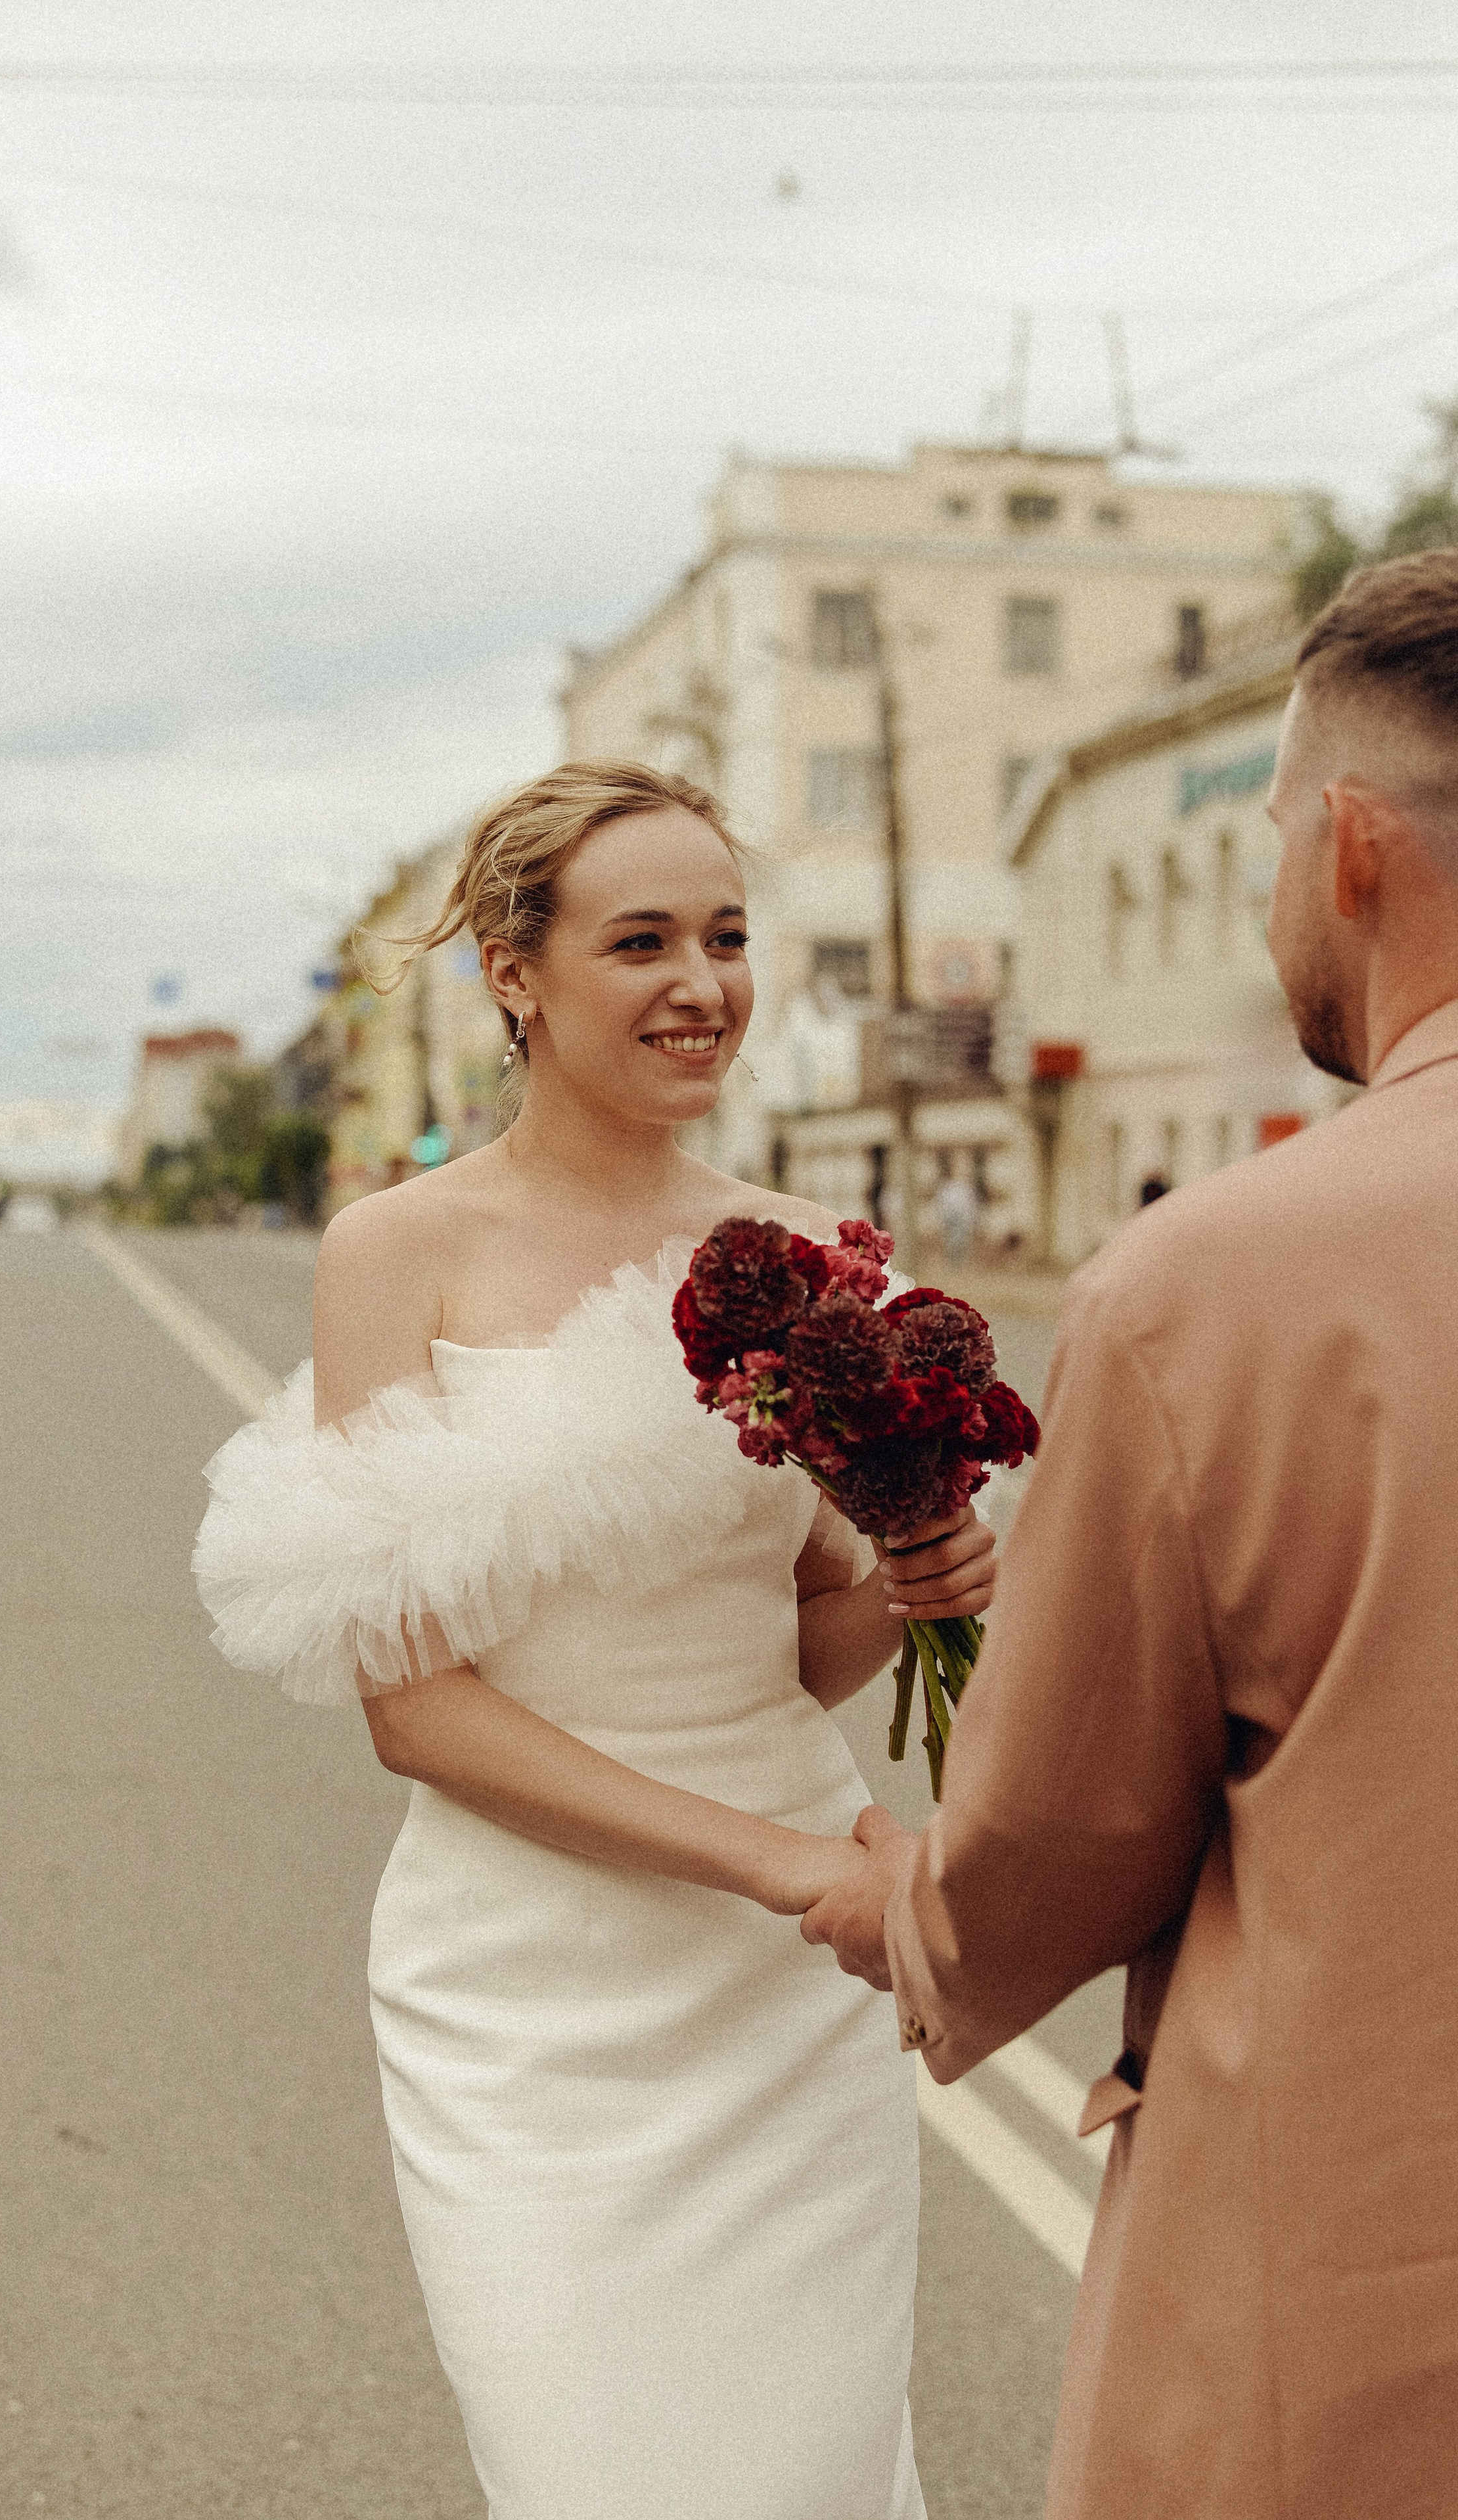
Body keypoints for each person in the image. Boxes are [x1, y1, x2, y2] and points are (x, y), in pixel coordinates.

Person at [192, 762, 998, 2520]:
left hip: (784, 2005)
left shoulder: (807, 1254)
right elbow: (415, 1710)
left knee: (806, 2478)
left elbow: (801, 1647)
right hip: (530, 1993)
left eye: (727, 936)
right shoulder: (396, 1251)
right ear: (515, 971)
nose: (703, 984)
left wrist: (917, 1581)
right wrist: (788, 1862)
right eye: (642, 942)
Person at [800, 549, 1458, 2519]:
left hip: (1365, 2270)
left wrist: (910, 1913)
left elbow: (1066, 1826)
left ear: (1352, 849)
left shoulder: (1221, 1283)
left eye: (1269, 841)